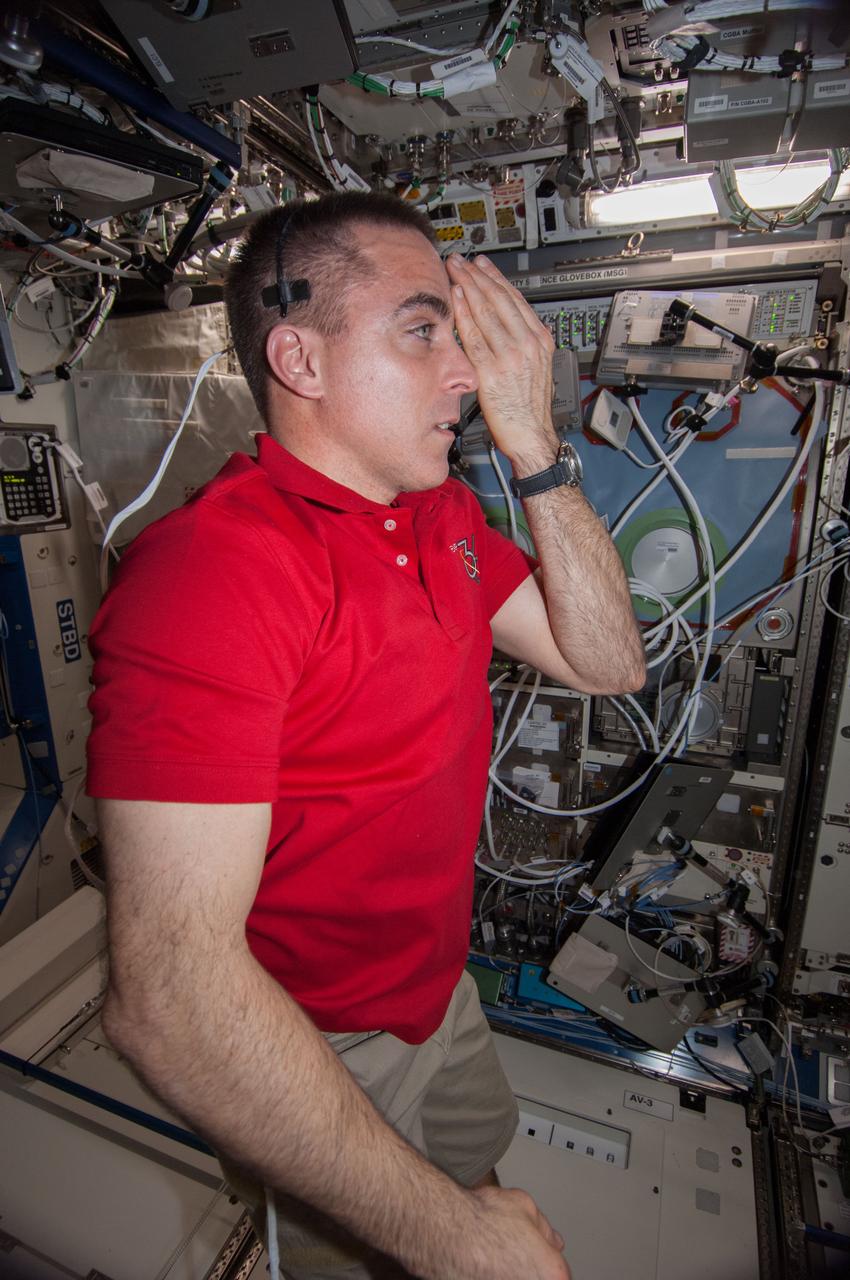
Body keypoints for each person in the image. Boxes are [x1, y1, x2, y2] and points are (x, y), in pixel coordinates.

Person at [87, 191, 645, 1280]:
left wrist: (533, 443)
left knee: (476, 1174)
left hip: (438, 991)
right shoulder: (213, 575)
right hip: (317, 1046)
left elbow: (606, 661)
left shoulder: (438, 516)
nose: (465, 373)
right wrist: (456, 1244)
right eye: (423, 329)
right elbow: (169, 995)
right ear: (299, 358)